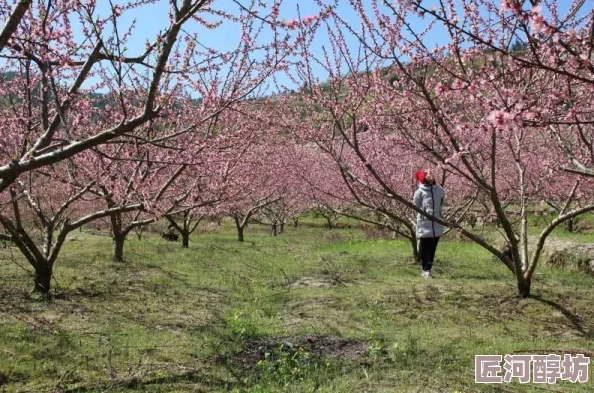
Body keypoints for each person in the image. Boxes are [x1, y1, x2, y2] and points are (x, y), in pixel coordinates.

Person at [413, 171, 445, 278]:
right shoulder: (419, 192)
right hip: (424, 223)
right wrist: (424, 214)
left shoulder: (439, 190)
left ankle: (428, 269)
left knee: (432, 248)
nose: (431, 176)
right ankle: (425, 269)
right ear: (423, 178)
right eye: (427, 175)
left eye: (431, 174)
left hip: (437, 222)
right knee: (424, 247)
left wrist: (440, 215)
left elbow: (441, 204)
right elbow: (416, 207)